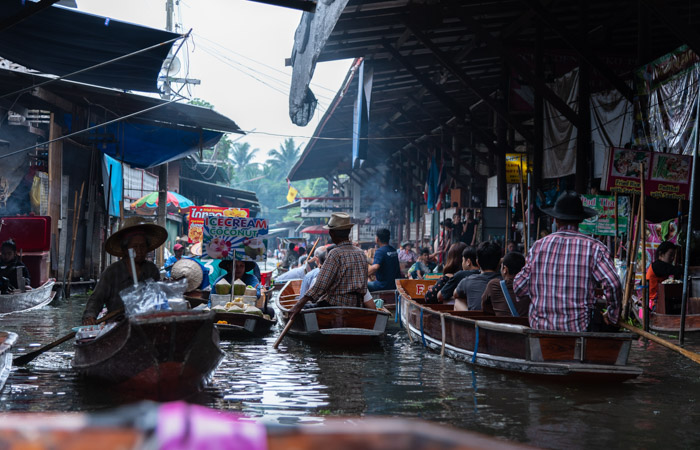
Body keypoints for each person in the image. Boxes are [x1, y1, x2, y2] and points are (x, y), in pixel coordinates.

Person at [513, 191, 622, 332]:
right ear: (580, 220)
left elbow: (518, 287)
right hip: (579, 330)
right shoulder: (595, 248)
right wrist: (613, 315)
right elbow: (613, 284)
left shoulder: (538, 246)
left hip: (540, 330)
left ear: (555, 220)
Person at [82, 217, 166, 325]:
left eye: (143, 246)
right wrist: (90, 316)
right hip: (117, 325)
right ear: (126, 249)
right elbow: (96, 299)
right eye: (135, 246)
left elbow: (157, 298)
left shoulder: (151, 270)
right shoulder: (112, 272)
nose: (139, 250)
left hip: (146, 323)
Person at [289, 213, 372, 315]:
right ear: (349, 232)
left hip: (334, 305)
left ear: (332, 233)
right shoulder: (361, 253)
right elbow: (364, 287)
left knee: (304, 308)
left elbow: (320, 285)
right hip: (356, 305)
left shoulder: (335, 253)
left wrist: (299, 304)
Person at [454, 241, 502, 311]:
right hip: (501, 321)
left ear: (477, 263)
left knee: (458, 301)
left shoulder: (467, 281)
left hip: (474, 320)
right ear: (499, 263)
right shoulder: (506, 281)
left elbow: (455, 294)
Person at [481, 252, 530, 317]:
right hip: (526, 326)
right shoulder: (530, 286)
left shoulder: (494, 285)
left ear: (505, 269)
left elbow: (485, 308)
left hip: (502, 326)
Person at [647, 241, 684, 311]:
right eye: (670, 255)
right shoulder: (658, 265)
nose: (672, 258)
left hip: (658, 300)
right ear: (661, 254)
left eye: (674, 256)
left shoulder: (660, 266)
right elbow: (676, 270)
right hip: (653, 303)